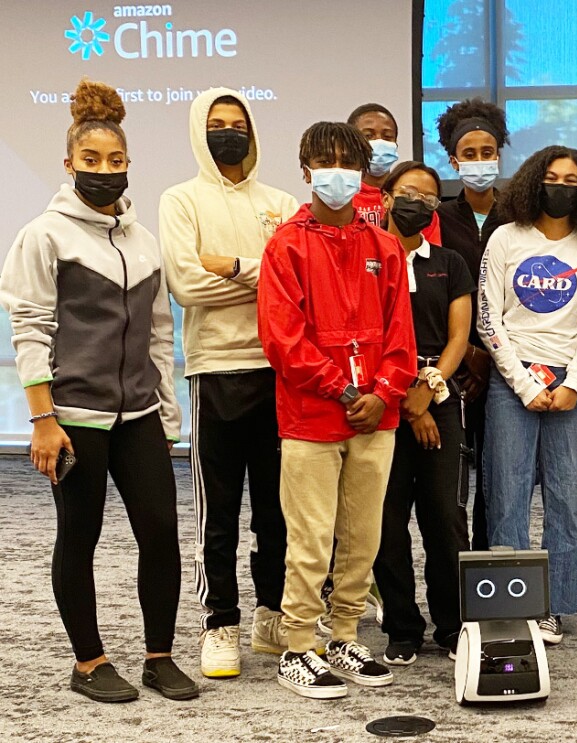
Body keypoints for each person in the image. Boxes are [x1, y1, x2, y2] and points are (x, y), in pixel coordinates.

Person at [0, 79, 197, 702]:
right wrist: (42, 419)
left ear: (128, 163)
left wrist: (168, 416)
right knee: (78, 536)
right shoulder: (45, 235)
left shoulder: (144, 241)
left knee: (160, 533)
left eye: (115, 160)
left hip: (140, 414)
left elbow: (160, 334)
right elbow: (30, 329)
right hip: (73, 417)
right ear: (68, 163)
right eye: (91, 159)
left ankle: (159, 657)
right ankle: (88, 662)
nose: (104, 170)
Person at [258, 122, 415, 698]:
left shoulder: (384, 247)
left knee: (363, 536)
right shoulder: (286, 245)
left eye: (348, 162)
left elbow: (401, 333)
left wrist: (384, 392)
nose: (338, 173)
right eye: (325, 162)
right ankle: (298, 645)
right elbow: (283, 339)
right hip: (312, 416)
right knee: (310, 538)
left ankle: (344, 634)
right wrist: (344, 391)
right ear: (305, 170)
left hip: (378, 415)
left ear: (362, 171)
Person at [159, 87, 299, 679]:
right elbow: (187, 285)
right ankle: (219, 622)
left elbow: (297, 283)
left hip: (278, 371)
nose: (228, 132)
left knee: (277, 510)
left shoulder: (282, 203)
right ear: (199, 131)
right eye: (216, 123)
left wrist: (235, 266)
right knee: (216, 512)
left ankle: (271, 613)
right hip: (214, 370)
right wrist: (265, 276)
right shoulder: (180, 200)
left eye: (238, 123)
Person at [479, 146, 577, 644]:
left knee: (566, 498)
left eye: (571, 181)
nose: (560, 188)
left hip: (570, 383)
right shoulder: (505, 237)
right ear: (534, 182)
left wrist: (574, 382)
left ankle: (554, 607)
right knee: (506, 497)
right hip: (511, 379)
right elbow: (487, 317)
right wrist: (522, 382)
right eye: (552, 178)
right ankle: (512, 605)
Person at [372, 161, 474, 665]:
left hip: (439, 394)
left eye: (429, 198)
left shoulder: (449, 263)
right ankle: (402, 627)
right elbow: (365, 334)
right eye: (409, 193)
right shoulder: (365, 258)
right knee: (386, 521)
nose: (418, 203)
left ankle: (453, 626)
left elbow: (458, 338)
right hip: (381, 400)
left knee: (445, 517)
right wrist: (408, 406)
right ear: (386, 197)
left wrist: (428, 391)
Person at [435, 98, 512, 551]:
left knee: (500, 473)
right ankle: (457, 563)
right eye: (469, 154)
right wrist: (466, 350)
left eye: (487, 152)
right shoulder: (438, 218)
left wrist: (497, 354)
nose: (479, 161)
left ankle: (491, 559)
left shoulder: (519, 215)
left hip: (510, 363)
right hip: (455, 363)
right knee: (453, 475)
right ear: (453, 160)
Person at [348, 103, 443, 246]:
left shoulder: (418, 200)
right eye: (368, 136)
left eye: (387, 137)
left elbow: (433, 253)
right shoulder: (343, 198)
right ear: (350, 144)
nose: (379, 142)